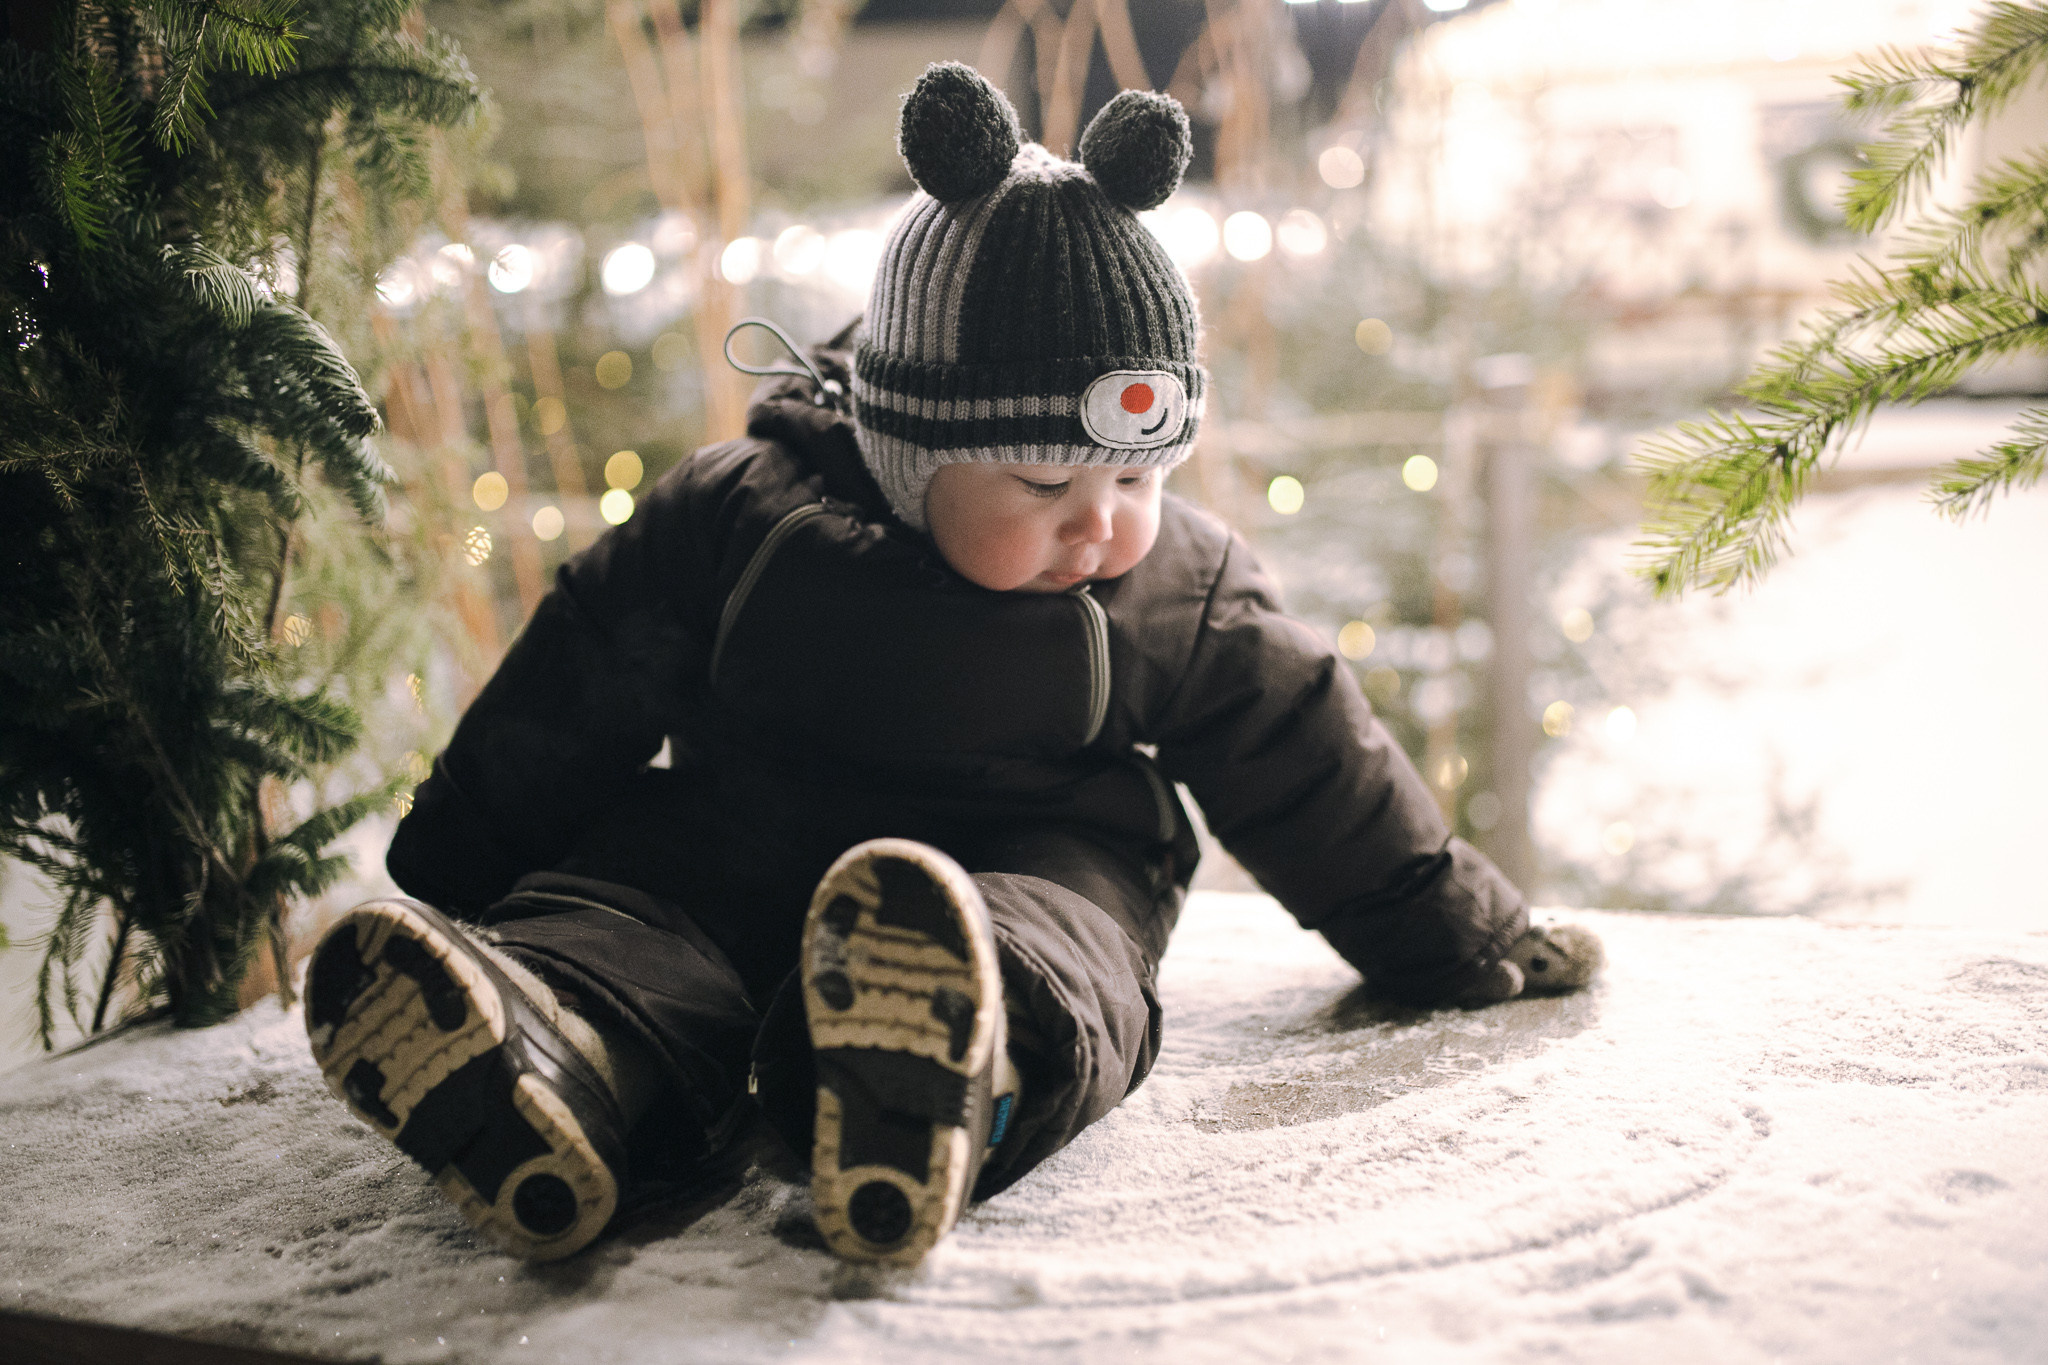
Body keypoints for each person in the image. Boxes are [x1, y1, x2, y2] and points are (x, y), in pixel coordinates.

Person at [303, 63, 1602, 1270]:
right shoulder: (749, 515)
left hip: (1040, 850)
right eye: (1045, 481)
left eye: (1142, 475)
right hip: (740, 831)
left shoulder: (1169, 585)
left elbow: (1304, 747)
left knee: (1067, 953)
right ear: (913, 448)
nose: (1103, 522)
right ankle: (547, 1045)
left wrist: (1449, 936)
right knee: (633, 913)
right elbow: (588, 660)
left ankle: (951, 1069)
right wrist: (469, 861)